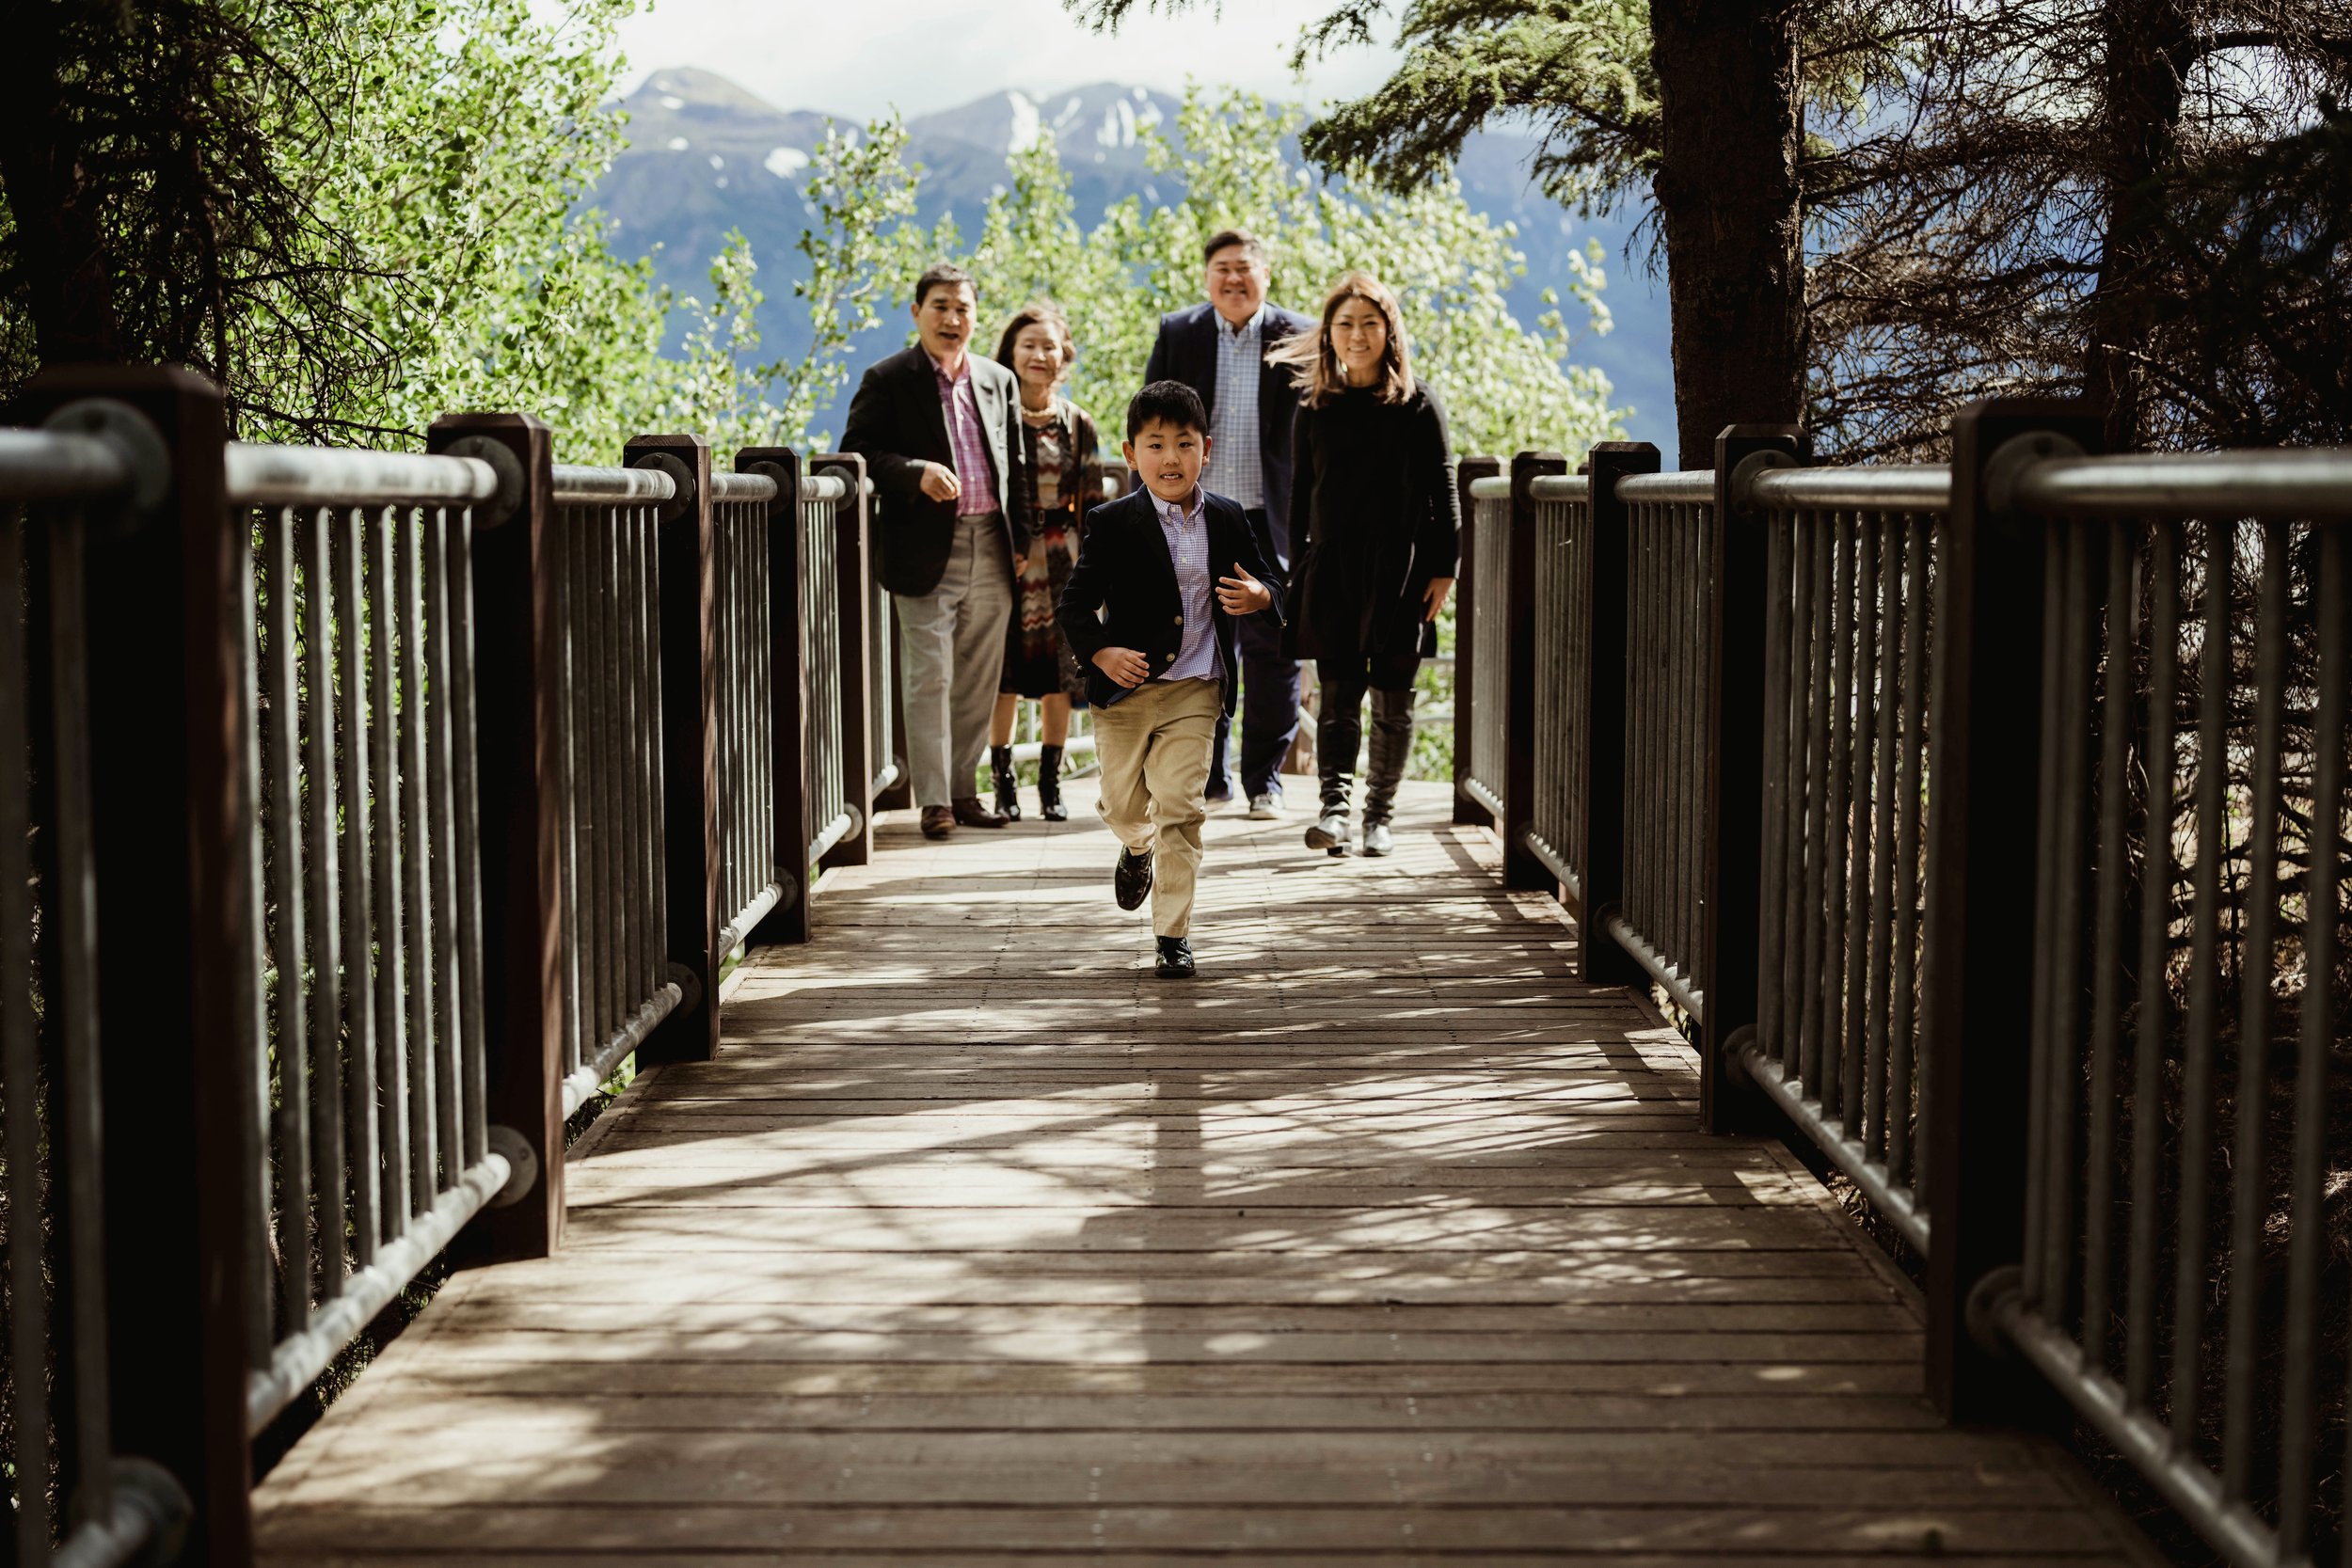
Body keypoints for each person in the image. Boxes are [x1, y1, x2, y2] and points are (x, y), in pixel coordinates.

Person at [1058, 381, 1279, 980]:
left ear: (1205, 450)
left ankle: (1173, 934)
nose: (1171, 458)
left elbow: (1270, 583)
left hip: (1196, 687)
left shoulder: (1229, 518)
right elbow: (1074, 609)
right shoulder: (1110, 522)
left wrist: (1261, 596)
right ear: (1132, 455)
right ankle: (1135, 847)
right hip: (1125, 692)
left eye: (1184, 444)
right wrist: (1102, 654)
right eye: (1156, 445)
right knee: (1127, 806)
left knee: (1181, 806)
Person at [1270, 270, 1458, 859]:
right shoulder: (1314, 406)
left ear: (1389, 331)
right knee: (1339, 695)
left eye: (1369, 324)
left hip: (1402, 571)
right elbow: (1300, 497)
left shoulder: (1417, 403)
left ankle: (1380, 816)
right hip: (1333, 572)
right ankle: (1336, 811)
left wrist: (1445, 568)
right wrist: (1299, 573)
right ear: (1328, 334)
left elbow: (1443, 488)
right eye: (1345, 324)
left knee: (1393, 697)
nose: (1357, 334)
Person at [841, 262, 1027, 841]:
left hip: (992, 544)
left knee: (977, 674)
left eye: (963, 308)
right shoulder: (888, 377)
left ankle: (964, 790)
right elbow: (857, 453)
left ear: (975, 316)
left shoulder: (998, 380)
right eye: (940, 306)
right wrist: (914, 472)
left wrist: (1020, 544)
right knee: (929, 676)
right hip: (923, 549)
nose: (952, 318)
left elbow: (1014, 467)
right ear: (917, 311)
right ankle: (935, 800)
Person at [1143, 229, 1313, 820]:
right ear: (1206, 277)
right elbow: (1150, 420)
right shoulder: (1179, 333)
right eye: (1222, 269)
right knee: (1199, 646)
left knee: (1274, 649)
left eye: (1244, 268)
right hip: (1198, 516)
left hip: (1275, 521)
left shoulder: (1302, 336)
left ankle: (1264, 779)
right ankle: (1208, 776)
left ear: (1265, 275)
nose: (1233, 279)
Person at [987, 302, 1102, 823]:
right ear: (1011, 353)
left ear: (1065, 357)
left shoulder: (1078, 425)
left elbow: (1095, 503)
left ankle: (1051, 786)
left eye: (1050, 346)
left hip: (1062, 560)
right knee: (1003, 676)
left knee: (1061, 674)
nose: (1039, 354)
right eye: (1029, 344)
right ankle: (1003, 785)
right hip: (1005, 555)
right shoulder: (993, 418)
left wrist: (1097, 572)